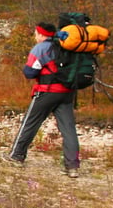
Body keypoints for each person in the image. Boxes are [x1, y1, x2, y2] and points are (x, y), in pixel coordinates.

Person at [5, 21, 80, 178]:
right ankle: (72, 167)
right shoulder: (66, 46)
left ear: (41, 34)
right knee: (68, 129)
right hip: (67, 93)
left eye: (36, 33)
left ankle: (16, 155)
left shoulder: (41, 48)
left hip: (47, 92)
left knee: (30, 122)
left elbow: (30, 73)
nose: (35, 36)